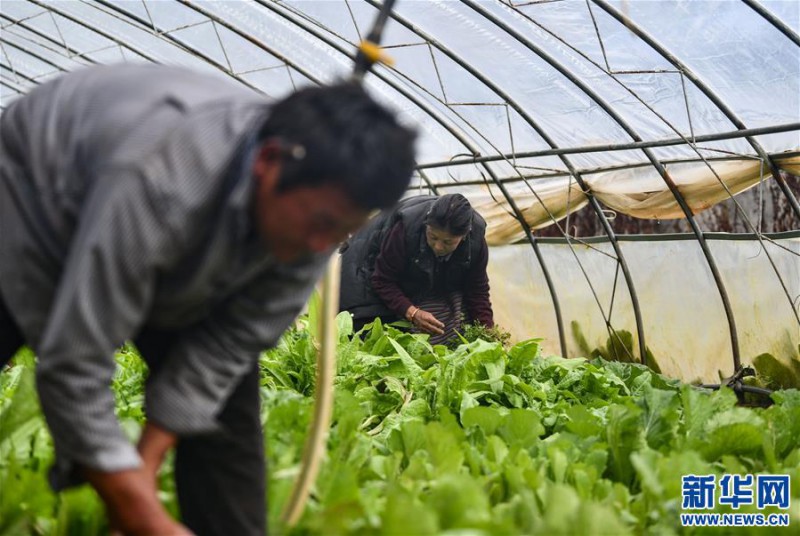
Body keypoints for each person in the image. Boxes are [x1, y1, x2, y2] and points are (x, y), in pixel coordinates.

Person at [0, 64, 416, 535]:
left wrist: (143, 467)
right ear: (269, 161)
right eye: (322, 223)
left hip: (182, 237)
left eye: (344, 230)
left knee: (222, 429)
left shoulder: (312, 226)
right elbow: (74, 362)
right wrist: (141, 514)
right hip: (36, 194)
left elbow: (226, 348)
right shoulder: (162, 181)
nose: (323, 246)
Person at [339, 194, 493, 344]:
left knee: (455, 321)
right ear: (426, 224)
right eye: (433, 237)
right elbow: (382, 280)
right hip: (363, 274)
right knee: (373, 336)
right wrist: (412, 312)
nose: (438, 246)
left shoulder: (475, 242)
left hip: (410, 280)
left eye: (447, 242)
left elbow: (477, 290)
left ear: (464, 236)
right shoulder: (405, 229)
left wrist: (488, 333)